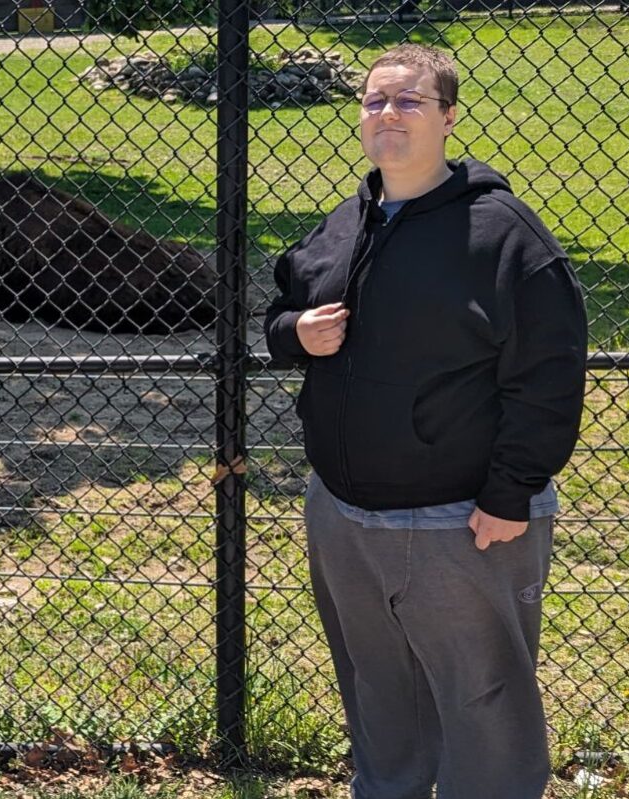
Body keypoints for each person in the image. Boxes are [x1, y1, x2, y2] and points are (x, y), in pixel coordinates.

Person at [264, 44, 587, 799]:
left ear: (447, 117)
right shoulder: (346, 222)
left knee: (485, 705)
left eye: (408, 102)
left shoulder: (503, 235)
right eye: (375, 101)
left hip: (461, 520)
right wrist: (293, 334)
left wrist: (511, 492)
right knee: (380, 697)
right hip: (345, 514)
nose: (388, 115)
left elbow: (549, 372)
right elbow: (283, 310)